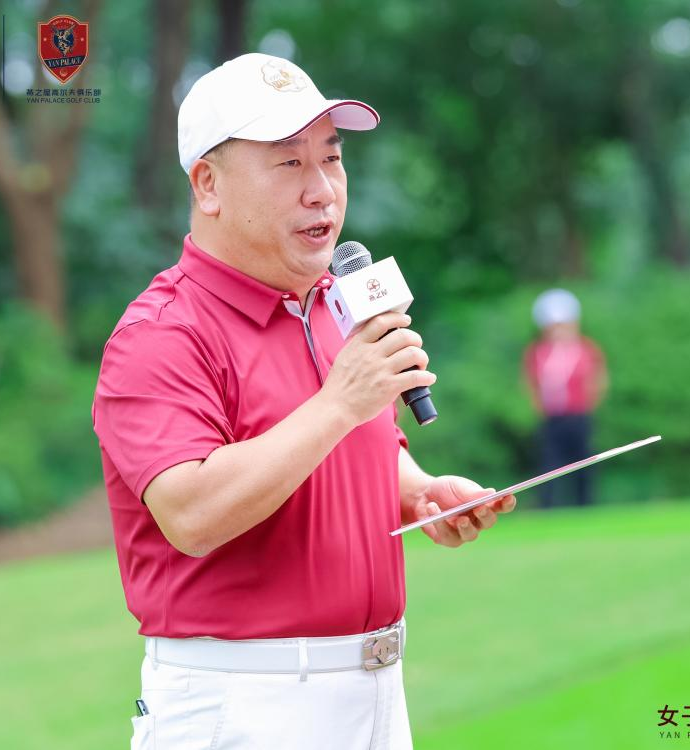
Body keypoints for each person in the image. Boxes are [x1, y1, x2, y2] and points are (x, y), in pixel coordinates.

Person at [91, 53, 516, 749]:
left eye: (332, 158)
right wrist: (338, 402)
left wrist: (419, 493)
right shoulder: (161, 333)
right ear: (208, 185)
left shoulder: (335, 303)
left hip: (378, 690)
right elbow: (191, 514)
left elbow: (359, 448)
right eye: (289, 163)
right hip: (243, 702)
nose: (322, 190)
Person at [523, 289, 607, 508]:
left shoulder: (585, 348)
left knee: (584, 462)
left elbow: (597, 379)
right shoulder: (539, 351)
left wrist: (588, 405)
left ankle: (585, 504)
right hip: (553, 417)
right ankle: (547, 506)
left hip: (579, 414)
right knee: (549, 463)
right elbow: (532, 383)